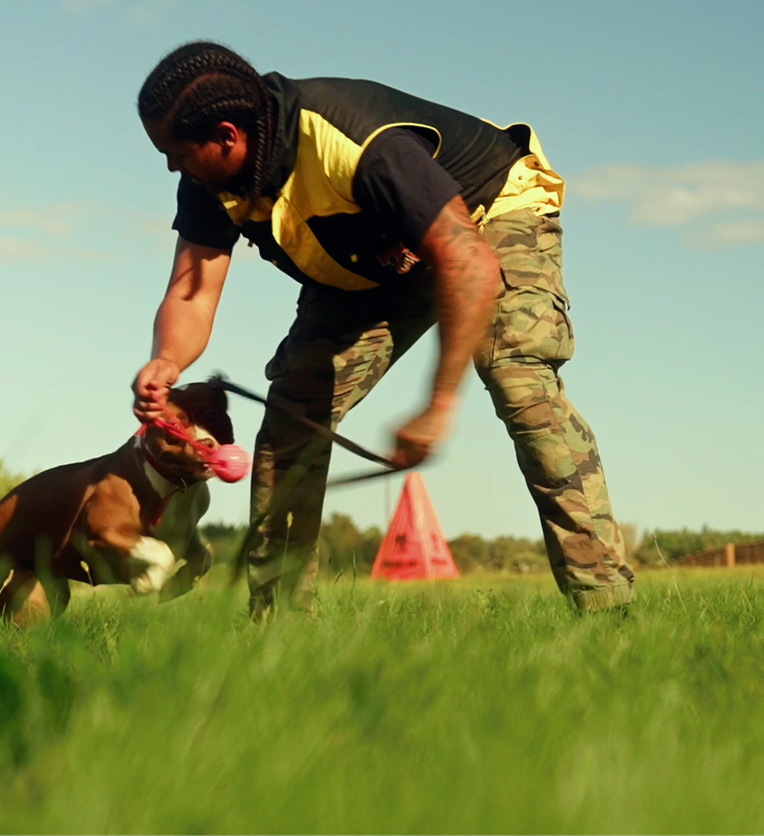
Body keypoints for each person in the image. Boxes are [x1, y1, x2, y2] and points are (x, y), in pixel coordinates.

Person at [131, 40, 637, 616]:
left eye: (176, 152)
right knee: (292, 422)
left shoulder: (358, 145)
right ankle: (279, 632)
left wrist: (438, 404)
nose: (173, 166)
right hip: (371, 262)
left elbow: (468, 264)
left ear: (227, 135)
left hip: (482, 221)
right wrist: (167, 361)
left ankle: (606, 610)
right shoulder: (209, 182)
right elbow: (192, 291)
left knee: (519, 379)